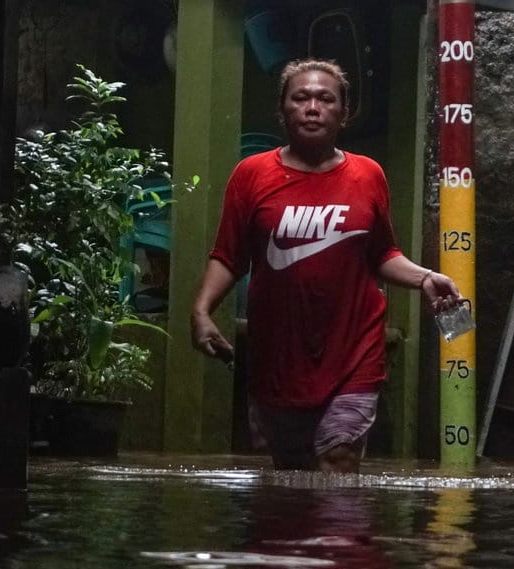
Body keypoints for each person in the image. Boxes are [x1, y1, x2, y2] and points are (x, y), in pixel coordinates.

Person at [190, 59, 462, 473]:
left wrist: (425, 277)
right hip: (279, 355)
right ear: (283, 110)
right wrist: (202, 311)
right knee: (292, 474)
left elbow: (383, 254)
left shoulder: (368, 175)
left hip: (354, 350)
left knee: (338, 457)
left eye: (325, 98)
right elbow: (229, 254)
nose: (312, 107)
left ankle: (341, 539)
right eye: (300, 98)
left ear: (344, 112)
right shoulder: (251, 175)